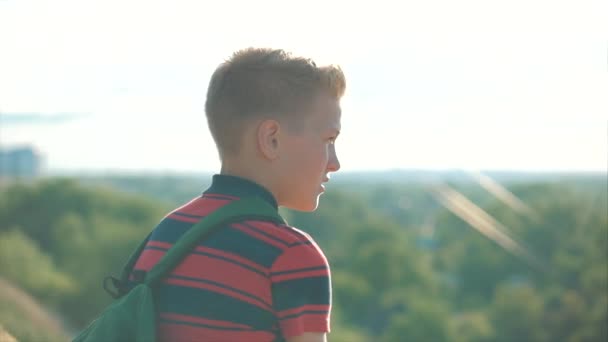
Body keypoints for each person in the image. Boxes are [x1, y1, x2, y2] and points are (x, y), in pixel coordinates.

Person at [130, 47, 345, 342]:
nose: (335, 162)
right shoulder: (291, 256)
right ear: (271, 140)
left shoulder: (166, 234)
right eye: (328, 140)